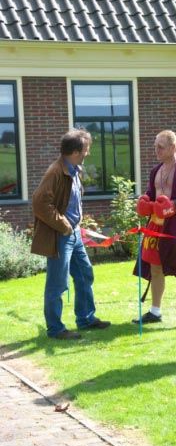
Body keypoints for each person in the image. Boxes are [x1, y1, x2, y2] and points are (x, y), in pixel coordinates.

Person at [31, 128, 111, 340]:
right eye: (86, 149)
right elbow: (39, 203)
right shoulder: (56, 171)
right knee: (57, 284)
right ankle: (56, 329)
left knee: (85, 274)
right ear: (75, 151)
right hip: (61, 235)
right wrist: (64, 225)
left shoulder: (74, 169)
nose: (88, 153)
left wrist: (73, 225)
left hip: (74, 234)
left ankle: (85, 318)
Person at [133, 130, 176, 329]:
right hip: (155, 226)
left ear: (173, 148)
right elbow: (152, 193)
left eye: (160, 147)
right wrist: (145, 200)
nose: (156, 150)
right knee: (155, 268)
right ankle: (155, 311)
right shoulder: (155, 171)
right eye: (155, 146)